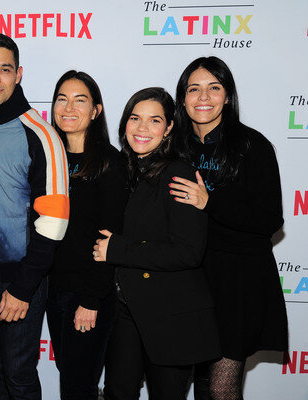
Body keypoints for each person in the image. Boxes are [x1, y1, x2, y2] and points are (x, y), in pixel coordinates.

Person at [0, 33, 69, 400]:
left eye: (4, 70)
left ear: (18, 74)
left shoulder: (42, 135)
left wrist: (22, 288)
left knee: (19, 375)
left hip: (21, 281)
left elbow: (53, 222)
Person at [169, 56, 288, 400]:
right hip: (186, 282)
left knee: (220, 389)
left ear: (228, 96)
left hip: (237, 284)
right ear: (183, 98)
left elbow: (270, 220)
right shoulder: (173, 146)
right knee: (176, 385)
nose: (203, 97)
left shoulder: (253, 146)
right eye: (194, 89)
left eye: (214, 88)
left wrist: (210, 202)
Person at [93, 87, 220, 400]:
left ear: (169, 128)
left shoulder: (179, 174)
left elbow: (188, 251)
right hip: (126, 309)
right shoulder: (123, 170)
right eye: (135, 118)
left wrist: (118, 250)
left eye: (154, 121)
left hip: (170, 315)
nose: (142, 128)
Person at [45, 70, 127, 399]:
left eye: (80, 100)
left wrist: (91, 299)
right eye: (62, 99)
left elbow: (111, 236)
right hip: (55, 290)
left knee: (78, 387)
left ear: (96, 111)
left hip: (90, 295)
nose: (69, 107)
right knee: (73, 378)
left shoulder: (110, 163)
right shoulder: (49, 159)